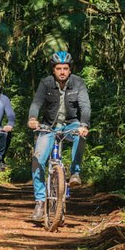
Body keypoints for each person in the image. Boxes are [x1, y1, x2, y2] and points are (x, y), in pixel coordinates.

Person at [27, 51, 91, 221]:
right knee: (38, 160)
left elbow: (85, 106)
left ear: (70, 70)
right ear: (53, 70)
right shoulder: (45, 83)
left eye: (65, 68)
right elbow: (36, 103)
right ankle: (40, 201)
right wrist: (33, 118)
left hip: (71, 124)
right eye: (58, 68)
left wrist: (84, 125)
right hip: (49, 126)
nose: (62, 71)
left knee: (81, 135)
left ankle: (75, 173)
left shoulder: (78, 83)